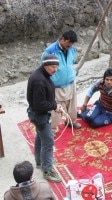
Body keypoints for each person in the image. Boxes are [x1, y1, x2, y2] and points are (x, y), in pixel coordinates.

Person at [26, 54, 62, 182]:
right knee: (48, 142)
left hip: (38, 113)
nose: (55, 69)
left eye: (56, 66)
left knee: (40, 137)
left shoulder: (42, 74)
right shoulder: (39, 81)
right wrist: (54, 106)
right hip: (39, 115)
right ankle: (47, 170)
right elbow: (39, 104)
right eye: (53, 67)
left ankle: (39, 161)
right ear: (46, 65)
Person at [41, 30, 81, 131]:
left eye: (72, 44)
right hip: (56, 86)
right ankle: (53, 128)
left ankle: (71, 121)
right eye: (68, 44)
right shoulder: (50, 52)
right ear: (62, 39)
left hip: (71, 83)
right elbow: (44, 69)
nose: (70, 46)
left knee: (72, 105)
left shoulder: (72, 49)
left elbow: (71, 63)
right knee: (55, 109)